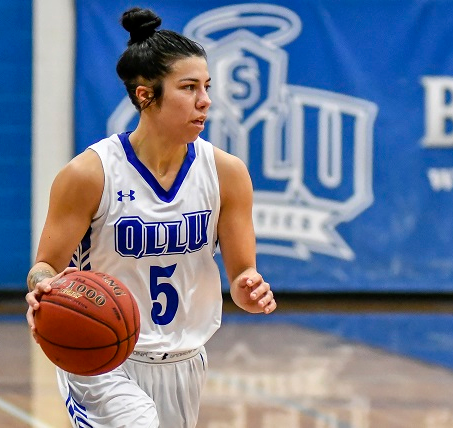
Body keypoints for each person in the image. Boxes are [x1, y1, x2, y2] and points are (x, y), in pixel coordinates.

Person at [25, 7, 276, 428]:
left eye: (207, 87)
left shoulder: (227, 173)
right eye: (189, 87)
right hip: (103, 360)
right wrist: (43, 286)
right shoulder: (89, 174)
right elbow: (44, 266)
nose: (205, 100)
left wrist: (248, 289)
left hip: (184, 359)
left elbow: (241, 274)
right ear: (145, 96)